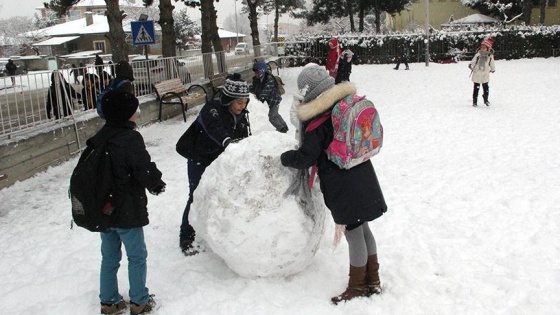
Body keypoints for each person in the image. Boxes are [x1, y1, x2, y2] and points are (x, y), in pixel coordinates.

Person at [280, 65, 387, 304]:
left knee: (353, 232)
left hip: (342, 182)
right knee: (363, 227)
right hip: (362, 172)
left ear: (309, 92)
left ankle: (358, 285)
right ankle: (373, 280)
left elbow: (306, 157)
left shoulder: (317, 119)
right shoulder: (344, 105)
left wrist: (284, 158)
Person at [96, 89, 166, 315]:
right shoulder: (130, 139)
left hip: (105, 210)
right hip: (126, 211)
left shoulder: (100, 137)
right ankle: (139, 302)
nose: (137, 111)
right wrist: (156, 183)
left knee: (109, 257)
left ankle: (109, 302)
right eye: (134, 108)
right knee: (136, 256)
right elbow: (142, 167)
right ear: (126, 113)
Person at [176, 73, 251, 255]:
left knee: (219, 194)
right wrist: (228, 142)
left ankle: (214, 228)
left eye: (245, 102)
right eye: (239, 103)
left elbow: (245, 138)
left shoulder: (241, 115)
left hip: (218, 160)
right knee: (196, 194)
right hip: (199, 158)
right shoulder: (212, 109)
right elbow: (215, 129)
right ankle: (186, 235)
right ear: (229, 100)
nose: (243, 106)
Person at [250, 60, 289, 133]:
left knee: (271, 117)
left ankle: (281, 129)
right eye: (255, 72)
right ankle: (284, 126)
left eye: (257, 72)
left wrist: (260, 97)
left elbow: (266, 90)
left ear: (261, 71)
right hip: (271, 101)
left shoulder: (269, 79)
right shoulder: (259, 79)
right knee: (276, 114)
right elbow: (253, 87)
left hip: (274, 100)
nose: (256, 74)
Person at [469, 37, 496, 107]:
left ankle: (486, 99)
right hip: (477, 73)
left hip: (485, 74)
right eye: (482, 47)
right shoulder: (478, 55)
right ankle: (475, 101)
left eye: (484, 47)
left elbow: (492, 63)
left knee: (486, 87)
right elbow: (473, 61)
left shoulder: (490, 56)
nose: (482, 48)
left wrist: (493, 69)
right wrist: (471, 65)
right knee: (476, 88)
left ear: (488, 48)